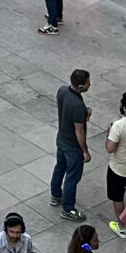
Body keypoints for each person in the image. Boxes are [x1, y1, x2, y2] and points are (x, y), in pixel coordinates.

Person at [52, 68, 90, 221]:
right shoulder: (78, 106)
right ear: (80, 87)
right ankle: (68, 208)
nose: (90, 85)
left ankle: (55, 194)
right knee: (72, 177)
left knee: (60, 167)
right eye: (88, 83)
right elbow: (79, 130)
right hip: (72, 145)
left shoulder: (62, 91)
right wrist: (85, 151)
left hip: (61, 137)